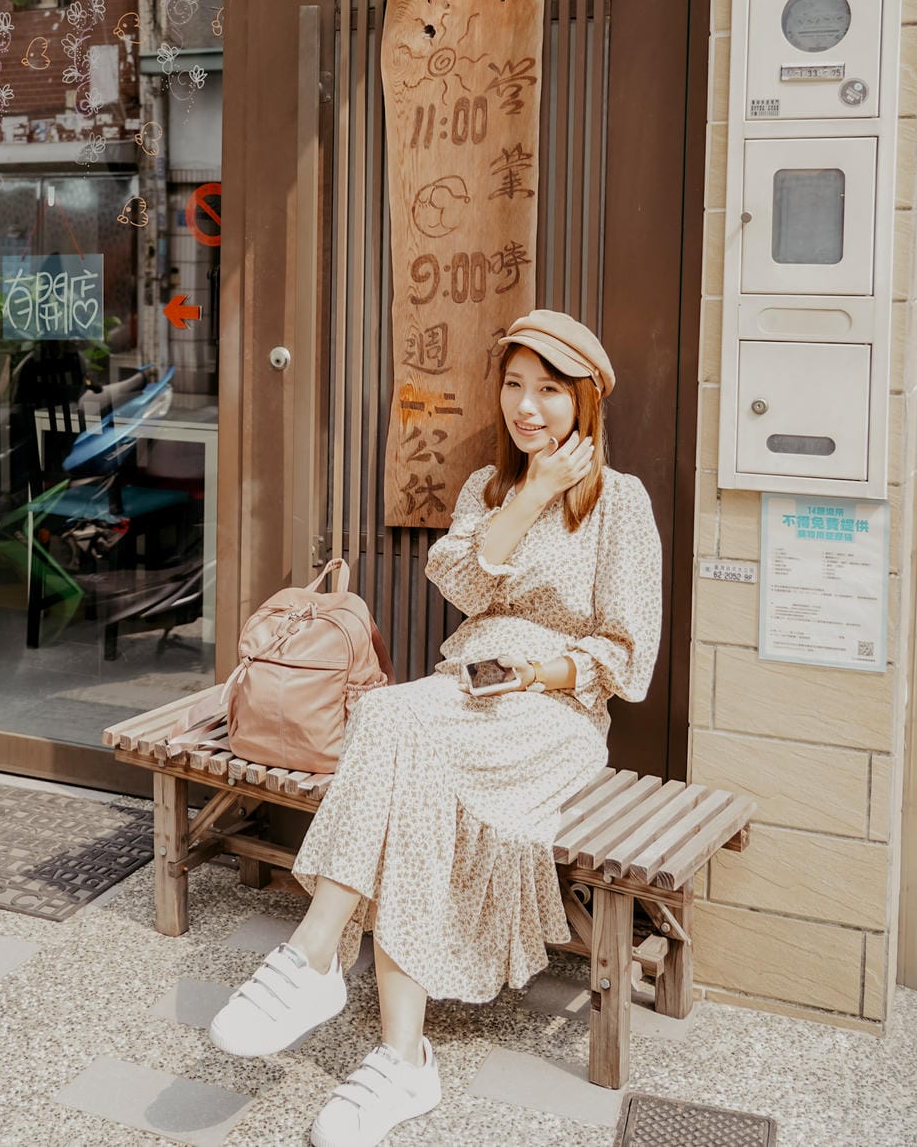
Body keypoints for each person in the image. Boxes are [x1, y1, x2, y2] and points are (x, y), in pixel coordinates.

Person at [208, 309, 662, 1147]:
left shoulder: (620, 503)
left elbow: (626, 653)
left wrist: (538, 670)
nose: (526, 406)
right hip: (465, 693)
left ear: (584, 402)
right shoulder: (487, 489)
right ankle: (396, 1052)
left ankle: (319, 963)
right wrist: (532, 495)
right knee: (396, 731)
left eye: (549, 391)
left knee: (392, 721)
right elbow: (460, 584)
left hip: (553, 712)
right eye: (514, 385)